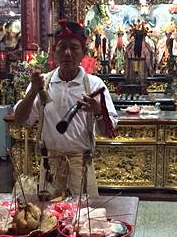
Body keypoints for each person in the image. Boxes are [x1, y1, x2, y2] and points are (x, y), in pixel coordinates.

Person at [13, 20, 117, 197]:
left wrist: (98, 111)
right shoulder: (42, 83)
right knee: (48, 214)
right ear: (54, 51)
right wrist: (32, 93)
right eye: (62, 47)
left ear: (84, 53)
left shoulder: (95, 85)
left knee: (82, 214)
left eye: (74, 47)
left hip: (80, 166)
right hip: (50, 167)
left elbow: (109, 131)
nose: (67, 53)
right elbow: (19, 119)